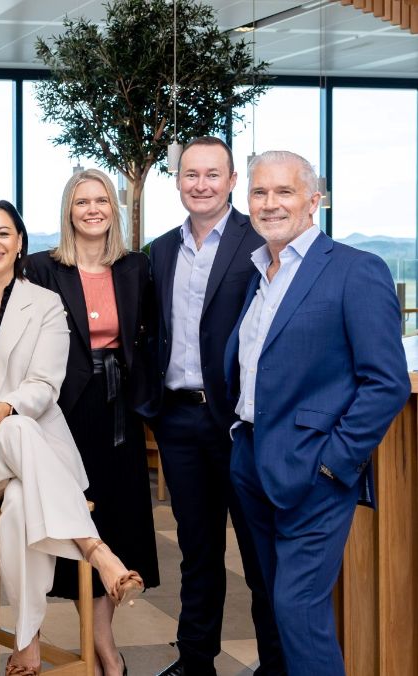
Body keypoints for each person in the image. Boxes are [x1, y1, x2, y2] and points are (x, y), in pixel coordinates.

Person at [0, 198, 143, 675]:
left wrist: (6, 409)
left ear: (20, 242)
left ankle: (26, 646)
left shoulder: (46, 303)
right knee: (15, 429)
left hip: (25, 456)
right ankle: (95, 550)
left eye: (3, 233)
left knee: (22, 501)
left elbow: (45, 384)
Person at [225, 151, 410, 675]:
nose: (270, 203)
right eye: (260, 192)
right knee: (275, 609)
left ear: (314, 200)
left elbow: (386, 381)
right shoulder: (259, 273)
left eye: (284, 192)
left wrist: (336, 462)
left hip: (314, 469)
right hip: (251, 461)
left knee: (298, 610)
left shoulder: (355, 271)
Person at [147, 137, 284, 676]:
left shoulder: (261, 241)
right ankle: (194, 660)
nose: (200, 184)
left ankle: (276, 664)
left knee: (257, 553)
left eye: (212, 174)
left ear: (232, 182)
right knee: (196, 550)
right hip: (179, 421)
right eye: (190, 175)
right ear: (177, 181)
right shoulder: (160, 250)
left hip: (239, 422)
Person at [24, 169, 159, 676]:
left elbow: (148, 337)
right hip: (64, 410)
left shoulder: (134, 267)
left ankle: (106, 648)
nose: (93, 209)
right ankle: (45, 643)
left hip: (117, 412)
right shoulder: (42, 268)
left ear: (114, 209)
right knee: (65, 522)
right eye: (82, 201)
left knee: (113, 526)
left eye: (102, 200)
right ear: (69, 210)